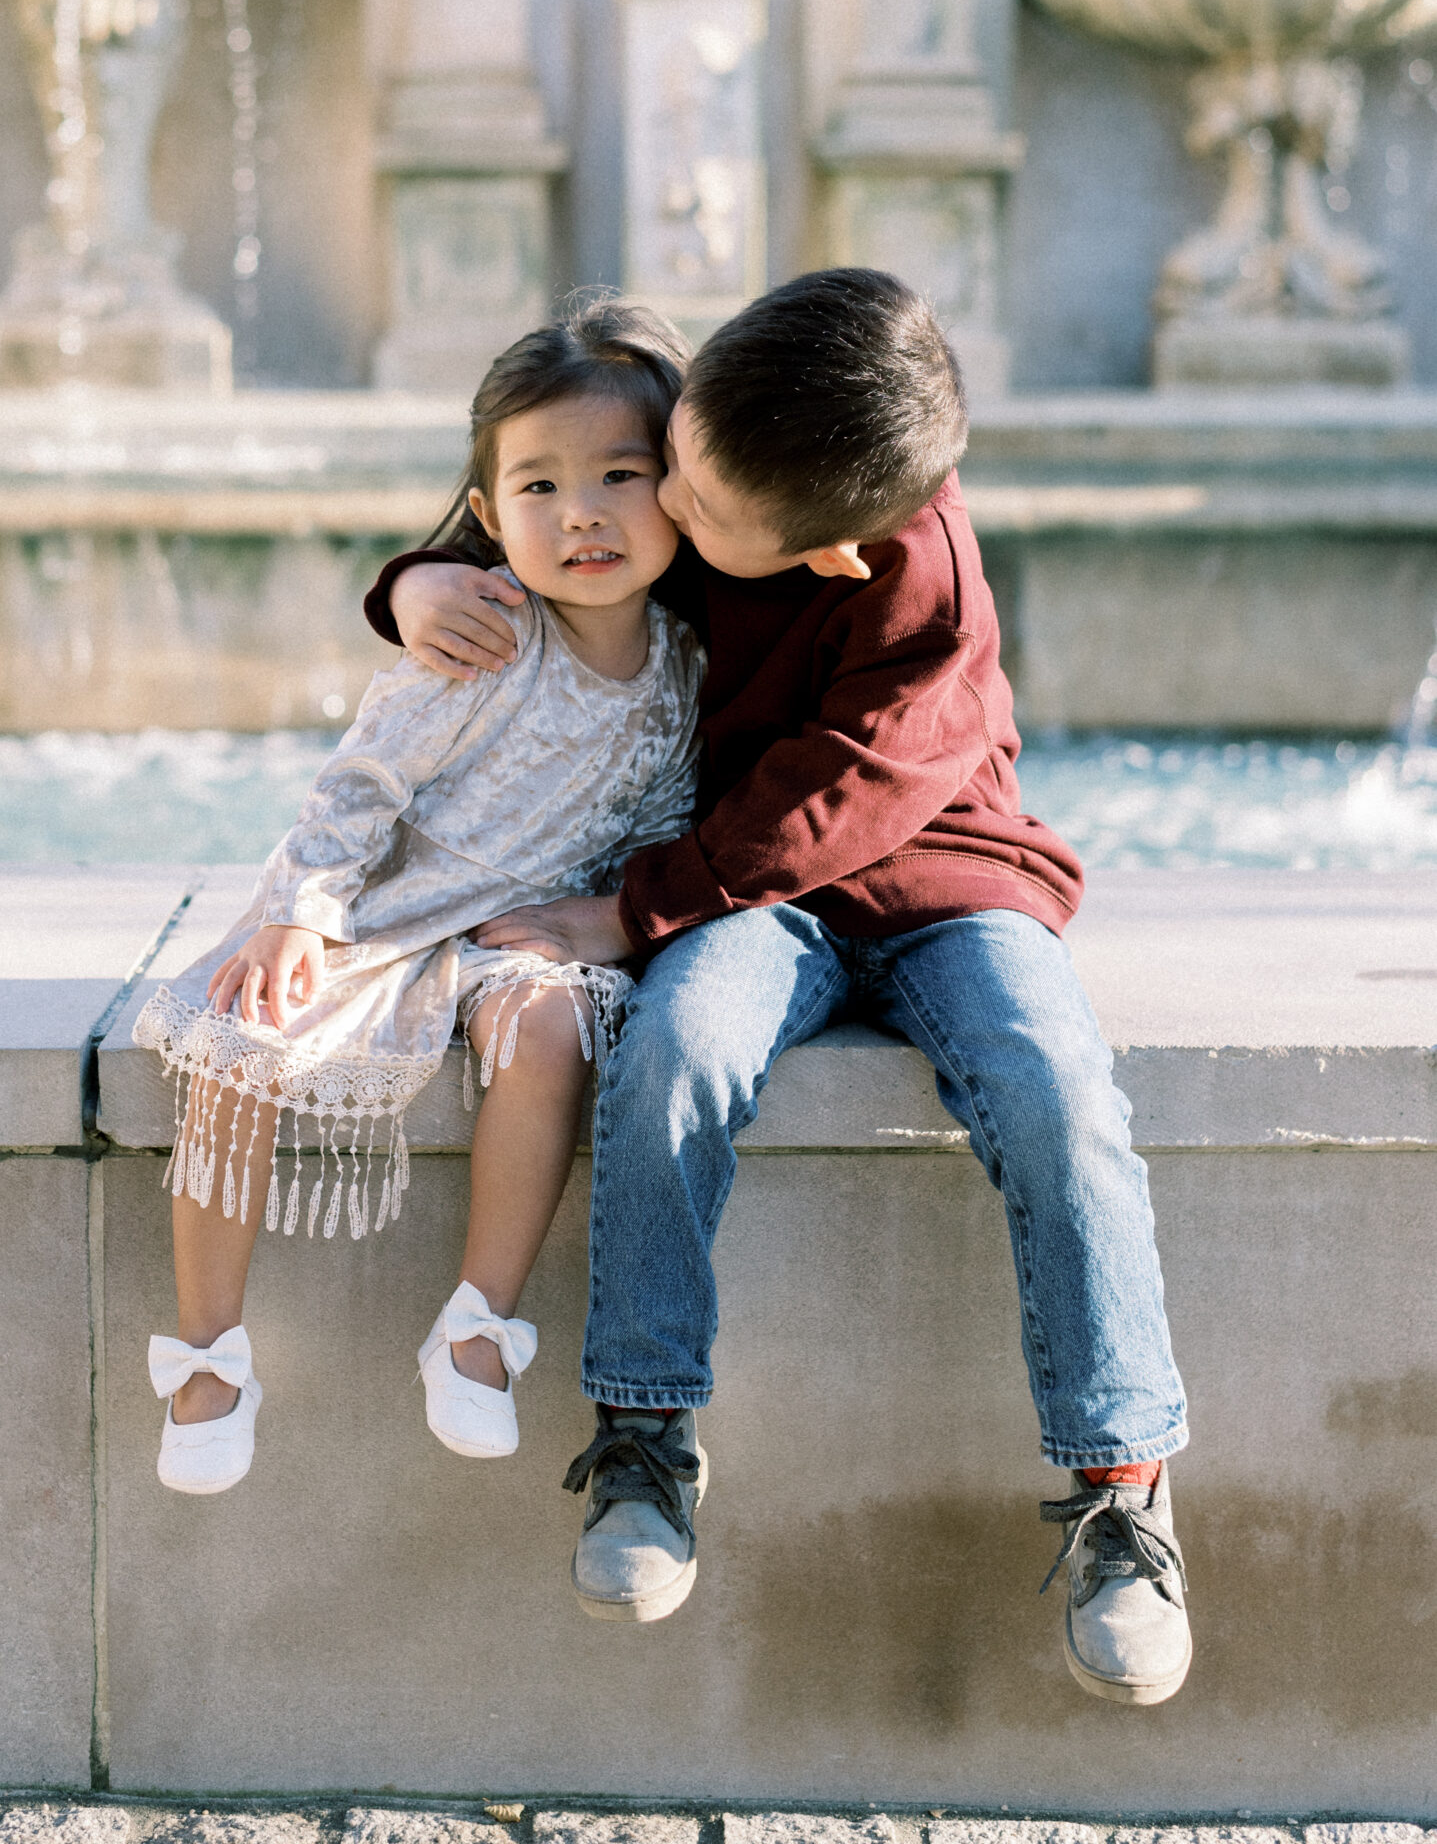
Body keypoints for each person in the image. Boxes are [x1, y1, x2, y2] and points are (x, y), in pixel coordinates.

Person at [368, 266, 1192, 1705]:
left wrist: (627, 908)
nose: (664, 512)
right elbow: (548, 514)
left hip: (942, 880)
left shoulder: (905, 563)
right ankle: (640, 1437)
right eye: (672, 464)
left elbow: (853, 794)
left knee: (1054, 1085)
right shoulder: (728, 446)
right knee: (677, 1050)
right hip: (749, 896)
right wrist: (413, 581)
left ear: (830, 557)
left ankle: (1122, 1485)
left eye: (693, 507)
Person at [133, 296, 703, 1497]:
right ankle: (206, 1354)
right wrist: (302, 910)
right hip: (383, 911)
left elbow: (659, 828)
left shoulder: (684, 667)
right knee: (242, 1031)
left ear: (681, 491)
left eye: (617, 474)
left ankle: (477, 1327)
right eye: (538, 488)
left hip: (521, 935)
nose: (582, 512)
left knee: (547, 1024)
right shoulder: (483, 628)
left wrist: (609, 925)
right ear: (490, 517)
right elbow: (362, 779)